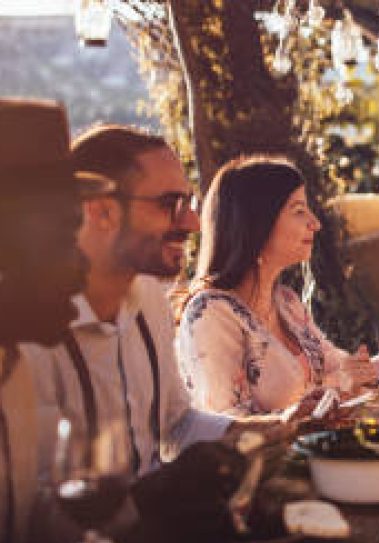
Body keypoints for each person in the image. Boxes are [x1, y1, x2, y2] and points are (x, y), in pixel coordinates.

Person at [0, 99, 243, 543]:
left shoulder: (10, 367)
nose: (76, 264)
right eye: (59, 237)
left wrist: (143, 507)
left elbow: (23, 523)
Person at [20, 125, 289, 478]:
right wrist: (148, 507)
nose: (192, 223)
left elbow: (178, 424)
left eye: (189, 203)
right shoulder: (29, 337)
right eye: (170, 204)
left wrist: (282, 427)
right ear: (100, 212)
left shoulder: (149, 298)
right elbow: (30, 503)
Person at [176, 155, 379, 415]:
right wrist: (338, 385)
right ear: (257, 224)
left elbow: (362, 375)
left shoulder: (287, 304)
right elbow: (230, 429)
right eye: (298, 210)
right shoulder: (210, 314)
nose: (315, 223)